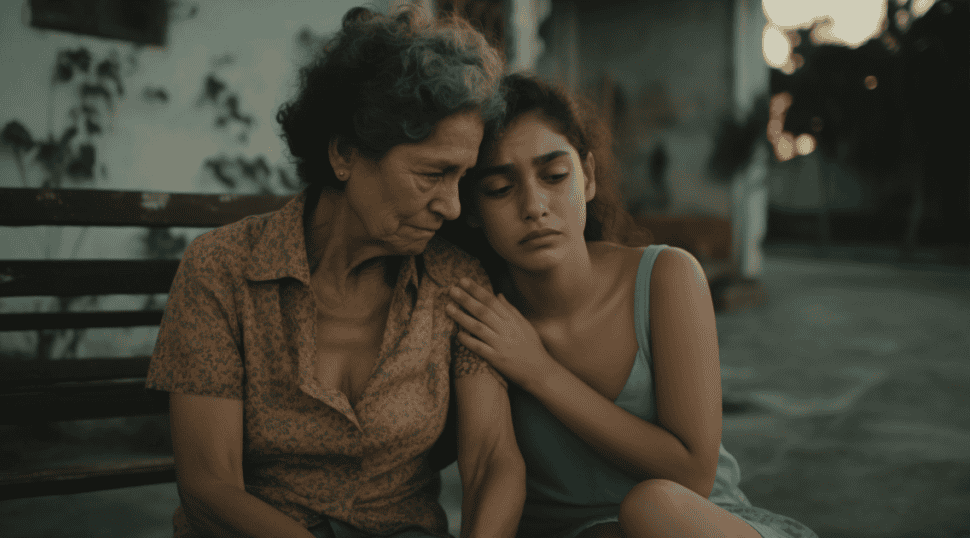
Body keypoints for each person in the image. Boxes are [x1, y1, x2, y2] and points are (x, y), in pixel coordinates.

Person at [146, 7, 525, 538]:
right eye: (432, 174)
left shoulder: (454, 283)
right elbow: (209, 486)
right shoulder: (223, 271)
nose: (453, 207)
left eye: (461, 178)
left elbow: (492, 460)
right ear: (345, 154)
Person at [439, 74, 818, 538]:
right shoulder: (486, 316)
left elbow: (692, 474)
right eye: (499, 188)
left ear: (590, 177)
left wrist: (538, 370)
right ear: (473, 209)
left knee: (650, 507)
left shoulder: (666, 278)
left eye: (555, 176)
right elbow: (486, 469)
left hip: (691, 525)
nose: (534, 205)